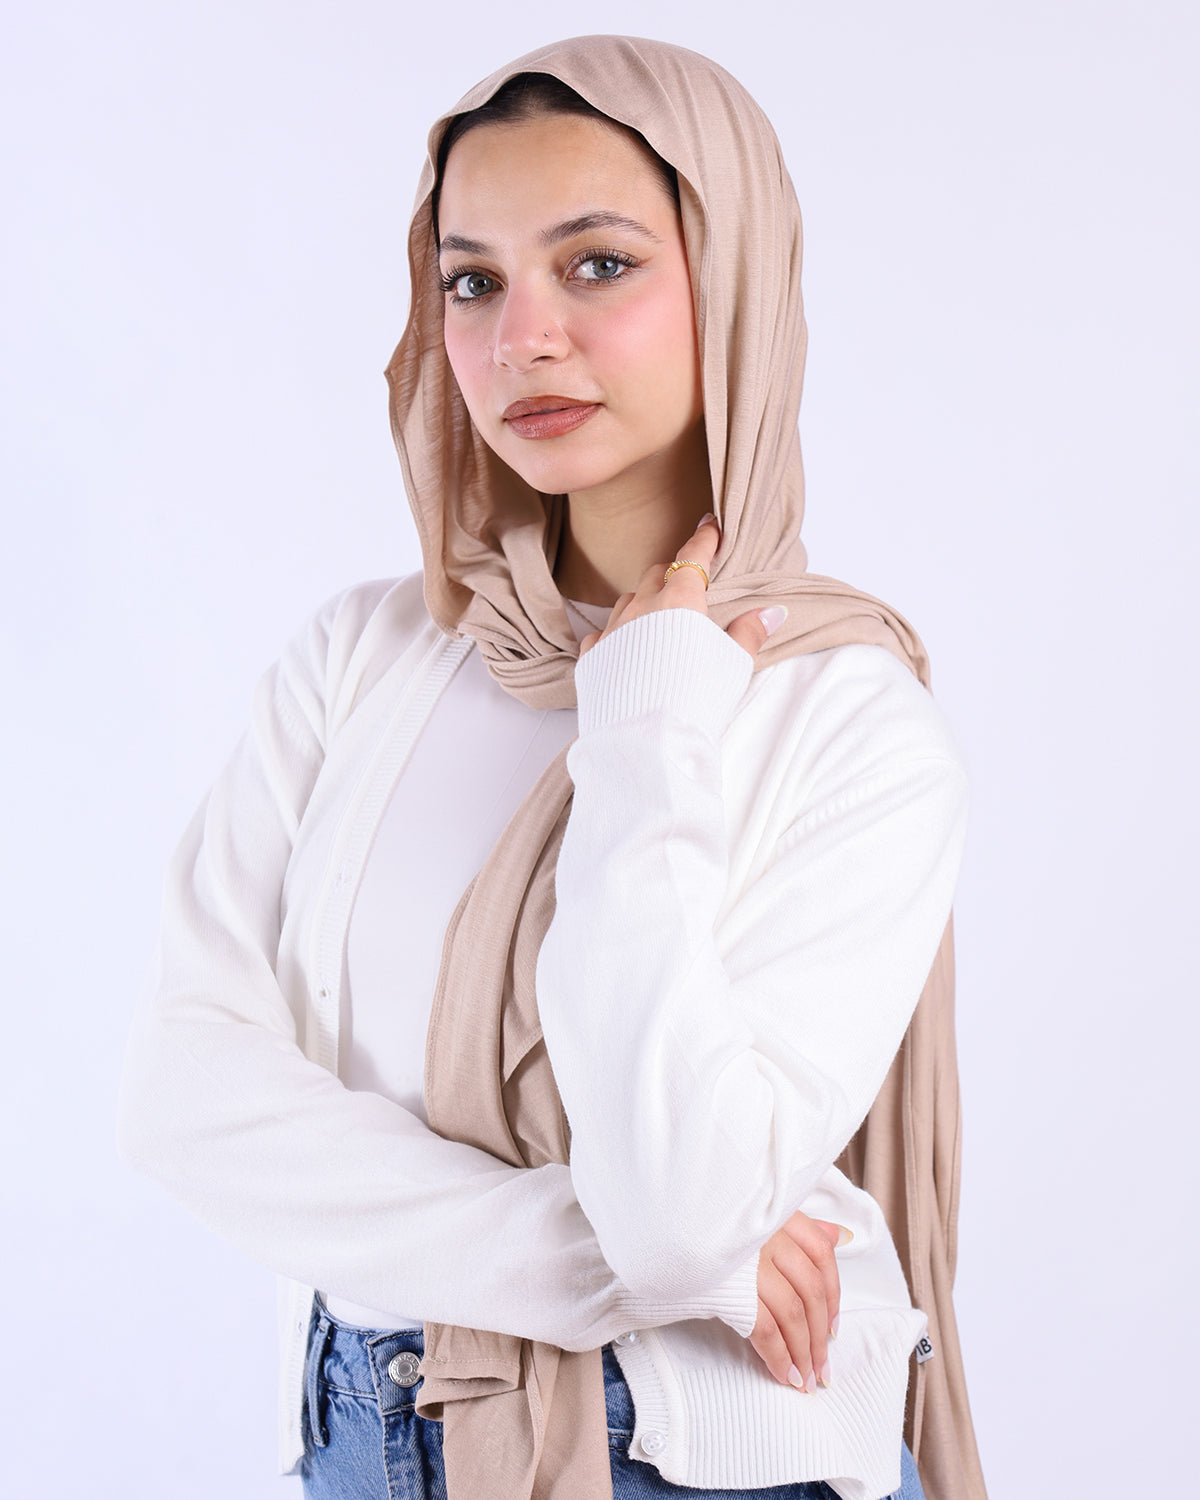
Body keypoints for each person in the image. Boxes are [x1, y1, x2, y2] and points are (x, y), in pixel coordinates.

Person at [118, 34, 987, 1500]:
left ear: (735, 279)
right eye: (473, 281)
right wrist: (603, 1257)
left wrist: (646, 721)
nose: (523, 335)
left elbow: (678, 1208)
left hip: (706, 1462)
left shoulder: (848, 718)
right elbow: (183, 1095)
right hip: (373, 1435)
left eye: (597, 265)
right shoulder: (367, 657)